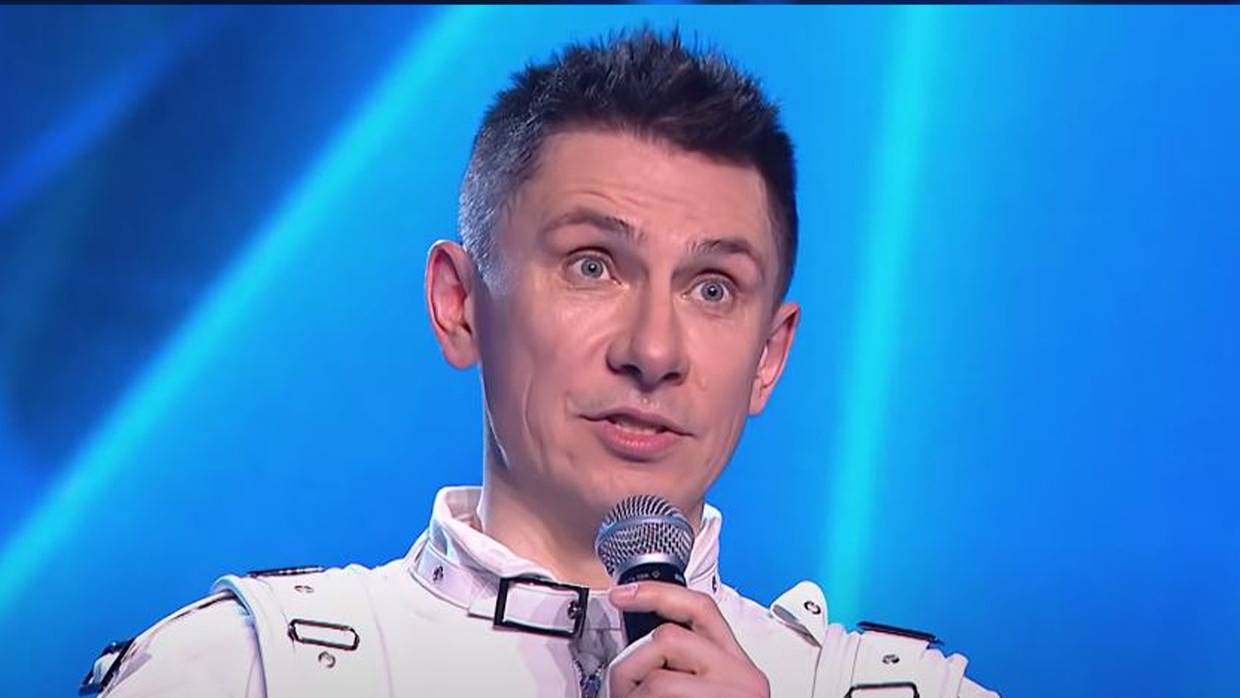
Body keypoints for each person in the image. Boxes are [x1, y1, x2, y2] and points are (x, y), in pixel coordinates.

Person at [83, 28, 999, 698]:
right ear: (459, 304)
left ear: (770, 357)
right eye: (593, 266)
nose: (653, 351)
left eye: (713, 287)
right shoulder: (240, 673)